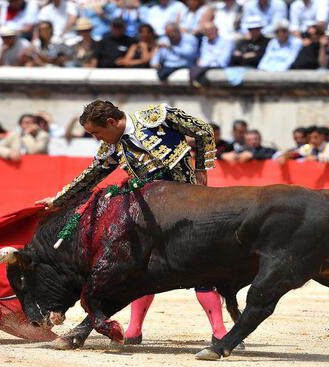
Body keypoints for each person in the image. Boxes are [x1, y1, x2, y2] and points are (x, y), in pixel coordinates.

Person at [35, 99, 231, 346]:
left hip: (187, 207)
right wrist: (58, 200)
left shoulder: (158, 117)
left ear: (111, 122)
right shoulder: (112, 145)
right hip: (150, 213)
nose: (97, 139)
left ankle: (221, 332)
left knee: (201, 269)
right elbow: (93, 174)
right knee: (140, 268)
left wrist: (202, 167)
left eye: (97, 132)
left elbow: (202, 130)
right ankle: (134, 330)